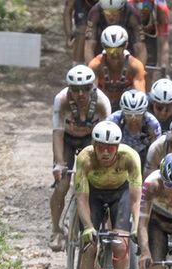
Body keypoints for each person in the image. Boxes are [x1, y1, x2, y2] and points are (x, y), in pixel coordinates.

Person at [73, 120, 142, 269]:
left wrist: (136, 227)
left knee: (121, 245)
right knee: (90, 247)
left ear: (117, 147)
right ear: (94, 145)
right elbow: (81, 199)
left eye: (110, 148)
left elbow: (135, 199)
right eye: (101, 147)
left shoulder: (130, 157)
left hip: (119, 195)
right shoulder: (85, 158)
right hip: (92, 195)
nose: (105, 153)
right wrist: (87, 227)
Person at [50, 65, 113, 251]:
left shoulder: (102, 102)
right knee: (62, 185)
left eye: (85, 88)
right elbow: (57, 134)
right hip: (67, 139)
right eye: (75, 89)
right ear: (69, 89)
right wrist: (59, 164)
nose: (80, 94)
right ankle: (55, 229)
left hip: (91, 139)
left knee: (95, 183)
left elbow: (106, 136)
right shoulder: (60, 100)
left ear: (92, 87)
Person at [89, 25, 146, 110]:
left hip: (126, 108)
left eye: (118, 50)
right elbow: (91, 94)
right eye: (110, 50)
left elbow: (140, 95)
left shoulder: (135, 66)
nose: (114, 54)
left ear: (126, 45)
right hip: (101, 106)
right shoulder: (95, 65)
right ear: (103, 47)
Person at [109, 88, 161, 165]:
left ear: (144, 113)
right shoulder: (112, 121)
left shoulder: (152, 124)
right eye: (129, 115)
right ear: (123, 113)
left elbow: (157, 149)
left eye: (138, 115)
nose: (133, 119)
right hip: (118, 156)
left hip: (144, 157)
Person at [131, 0, 170, 87]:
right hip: (132, 33)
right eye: (139, 5)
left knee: (148, 72)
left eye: (145, 6)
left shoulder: (161, 11)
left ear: (152, 5)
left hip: (151, 31)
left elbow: (163, 44)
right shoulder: (127, 7)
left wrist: (163, 68)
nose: (141, 10)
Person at [63, 0, 100, 65]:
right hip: (83, 8)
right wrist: (68, 35)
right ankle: (78, 66)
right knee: (82, 29)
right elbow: (68, 10)